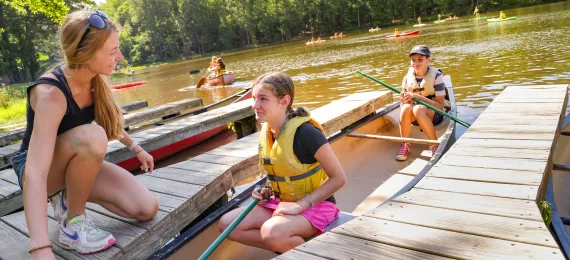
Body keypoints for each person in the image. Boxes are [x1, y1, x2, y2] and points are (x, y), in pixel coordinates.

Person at [11, 10, 158, 259]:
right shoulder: (51, 93)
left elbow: (109, 123)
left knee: (146, 208)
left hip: (75, 160)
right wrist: (40, 248)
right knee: (93, 136)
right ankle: (73, 223)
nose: (120, 57)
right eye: (113, 51)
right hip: (37, 170)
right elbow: (36, 172)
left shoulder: (94, 81)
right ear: (84, 53)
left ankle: (68, 196)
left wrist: (137, 148)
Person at [218, 72, 347, 253]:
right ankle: (295, 248)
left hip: (317, 206)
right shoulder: (268, 131)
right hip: (281, 204)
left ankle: (308, 252)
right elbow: (283, 174)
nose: (255, 105)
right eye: (254, 98)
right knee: (227, 225)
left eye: (263, 99)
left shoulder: (307, 133)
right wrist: (266, 192)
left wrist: (300, 206)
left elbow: (339, 179)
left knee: (272, 233)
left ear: (284, 101)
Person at [396, 45, 448, 161]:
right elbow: (401, 107)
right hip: (415, 116)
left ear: (428, 60)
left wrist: (417, 97)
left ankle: (434, 144)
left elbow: (440, 105)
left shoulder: (437, 76)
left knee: (418, 109)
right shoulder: (406, 78)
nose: (416, 63)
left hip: (434, 114)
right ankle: (405, 144)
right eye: (413, 60)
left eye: (420, 59)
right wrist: (404, 101)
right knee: (406, 108)